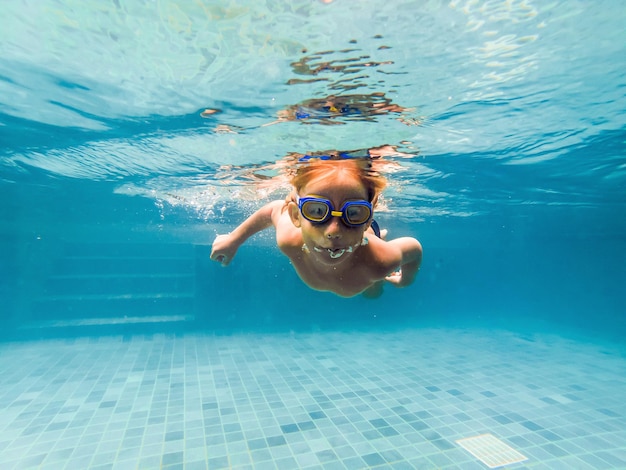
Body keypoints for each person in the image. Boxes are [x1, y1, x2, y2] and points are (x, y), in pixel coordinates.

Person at [210, 156, 422, 298]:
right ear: (296, 216)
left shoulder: (380, 262)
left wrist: (405, 280)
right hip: (358, 247)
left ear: (368, 218)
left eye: (354, 213)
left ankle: (375, 234)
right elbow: (274, 209)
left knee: (374, 294)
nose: (334, 231)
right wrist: (233, 240)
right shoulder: (289, 241)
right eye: (318, 212)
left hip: (367, 246)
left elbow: (414, 249)